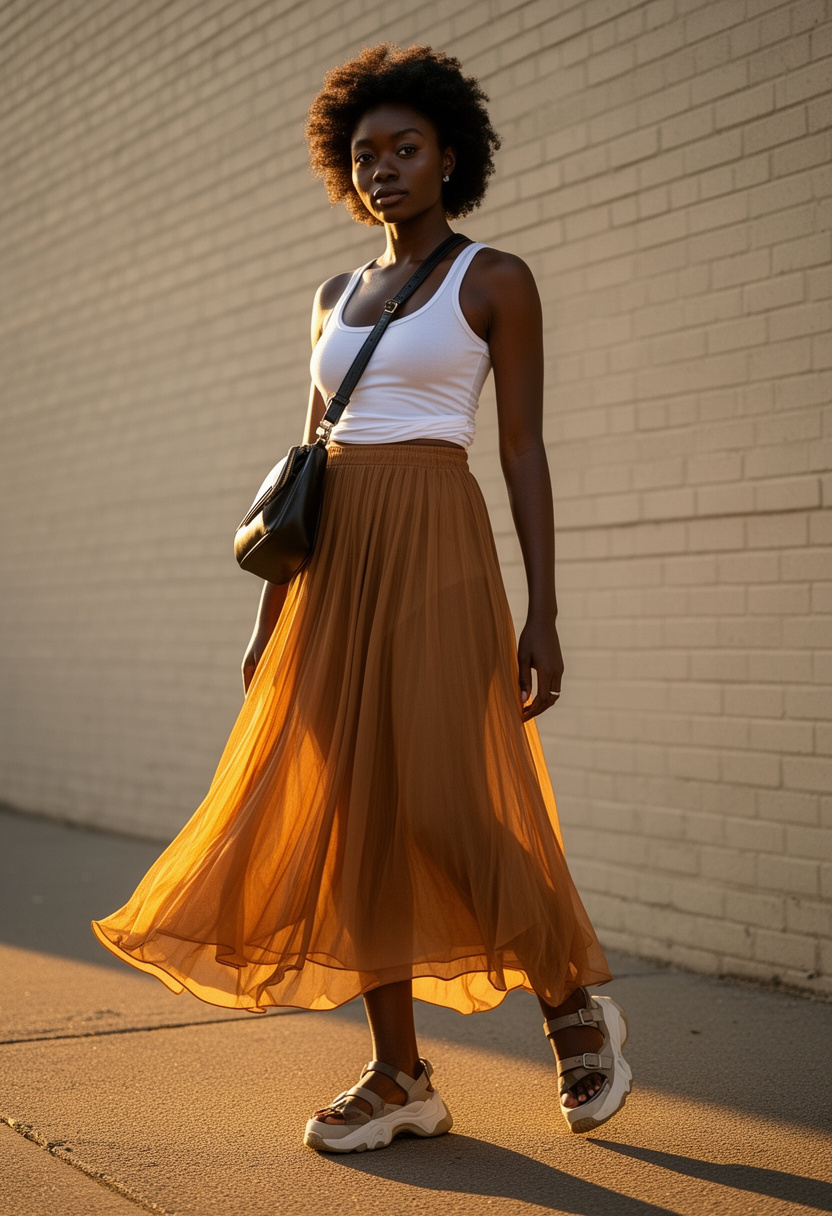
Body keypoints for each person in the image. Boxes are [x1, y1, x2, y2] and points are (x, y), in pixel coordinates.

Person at [92, 43, 632, 1153]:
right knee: (353, 816)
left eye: (405, 148)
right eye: (364, 154)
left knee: (443, 800)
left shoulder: (494, 278)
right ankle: (400, 1075)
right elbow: (306, 460)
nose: (383, 168)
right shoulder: (333, 297)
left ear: (450, 156)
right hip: (335, 564)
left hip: (435, 542)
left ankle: (570, 1002)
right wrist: (269, 614)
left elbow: (522, 451)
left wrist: (544, 610)